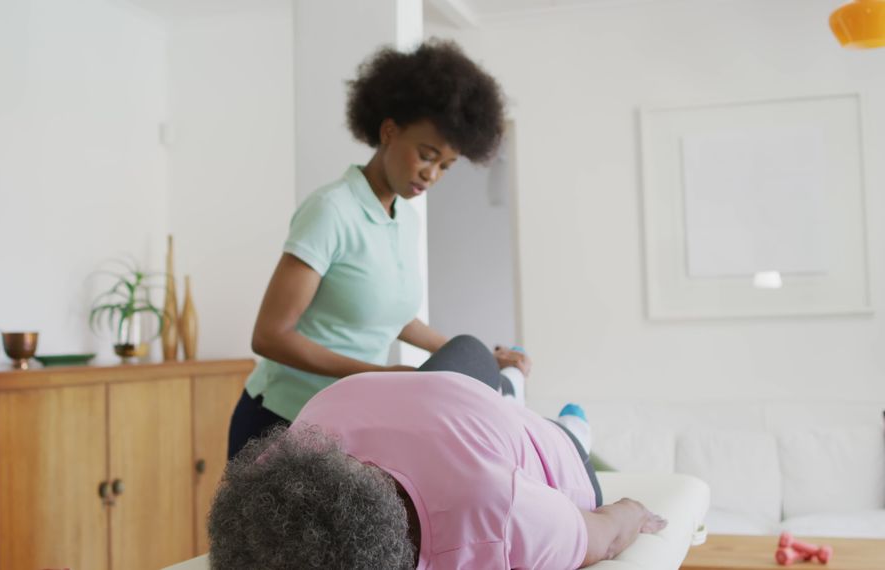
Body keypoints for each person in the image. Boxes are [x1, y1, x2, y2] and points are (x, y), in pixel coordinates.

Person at [229, 38, 529, 460]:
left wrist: (475, 357)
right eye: (426, 155)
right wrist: (380, 376)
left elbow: (394, 316)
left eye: (445, 166)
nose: (432, 175)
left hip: (342, 423)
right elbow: (270, 336)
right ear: (389, 131)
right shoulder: (331, 211)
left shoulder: (404, 219)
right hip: (279, 421)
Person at [209, 338, 667, 569]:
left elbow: (603, 535)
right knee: (469, 355)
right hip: (442, 405)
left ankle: (571, 427)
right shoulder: (303, 437)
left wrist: (633, 510)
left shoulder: (498, 513)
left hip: (556, 457)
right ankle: (509, 392)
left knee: (558, 430)